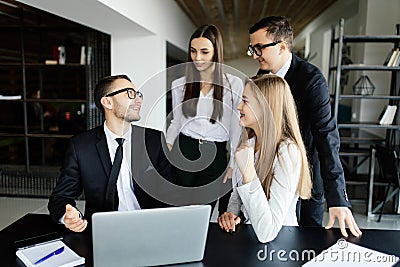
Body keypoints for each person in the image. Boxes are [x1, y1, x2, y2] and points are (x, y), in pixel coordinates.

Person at [247, 16, 362, 237]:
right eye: (252, 48)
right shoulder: (261, 78)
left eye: (259, 48)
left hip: (306, 178)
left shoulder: (312, 80)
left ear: (282, 46)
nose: (254, 55)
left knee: (308, 239)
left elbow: (327, 137)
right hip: (272, 175)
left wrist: (337, 198)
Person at [48, 74, 172, 232]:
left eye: (138, 94)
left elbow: (171, 191)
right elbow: (60, 197)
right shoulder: (81, 146)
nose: (138, 99)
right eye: (130, 93)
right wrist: (68, 217)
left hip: (151, 227)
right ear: (107, 102)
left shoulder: (154, 140)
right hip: (104, 231)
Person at [218, 74, 312, 243]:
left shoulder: (287, 152)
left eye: (245, 101)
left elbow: (267, 233)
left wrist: (248, 172)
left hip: (279, 247)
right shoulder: (249, 143)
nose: (239, 106)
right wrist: (232, 214)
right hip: (248, 240)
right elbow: (237, 196)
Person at [166, 24, 243, 214]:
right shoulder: (179, 84)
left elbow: (236, 128)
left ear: (216, 53)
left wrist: (233, 163)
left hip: (215, 152)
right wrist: (167, 148)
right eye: (193, 51)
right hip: (184, 148)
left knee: (202, 210)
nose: (197, 58)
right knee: (179, 208)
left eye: (204, 52)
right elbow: (176, 122)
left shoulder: (234, 84)